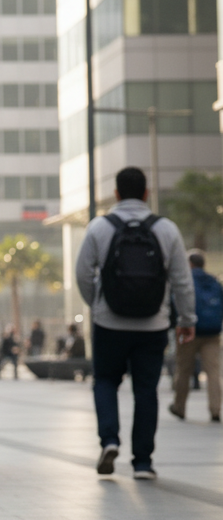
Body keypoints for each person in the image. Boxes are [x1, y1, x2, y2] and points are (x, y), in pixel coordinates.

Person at [76, 166, 195, 479]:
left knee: (105, 382)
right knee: (146, 390)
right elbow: (182, 280)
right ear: (146, 193)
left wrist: (98, 304)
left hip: (109, 324)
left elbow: (82, 274)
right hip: (153, 325)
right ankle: (142, 462)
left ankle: (110, 440)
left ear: (116, 193)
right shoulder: (166, 229)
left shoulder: (100, 227)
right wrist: (186, 318)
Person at [169, 251, 222, 423]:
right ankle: (215, 409)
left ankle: (180, 407)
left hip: (187, 330)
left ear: (190, 264)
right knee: (213, 372)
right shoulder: (214, 281)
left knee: (184, 369)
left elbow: (174, 302)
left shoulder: (184, 280)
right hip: (212, 333)